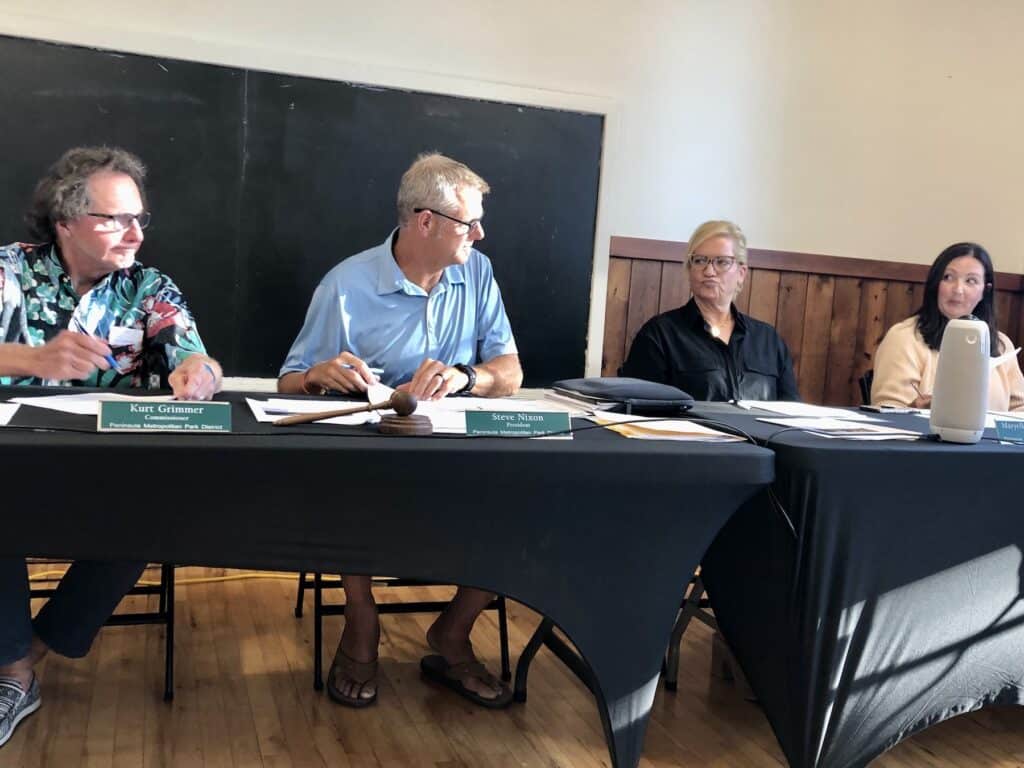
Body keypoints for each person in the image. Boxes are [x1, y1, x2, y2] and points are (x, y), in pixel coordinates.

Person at [279, 152, 521, 709]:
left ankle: (452, 633)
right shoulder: (346, 284)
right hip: (373, 455)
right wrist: (318, 376)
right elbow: (289, 383)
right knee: (354, 490)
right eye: (469, 223)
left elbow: (511, 372)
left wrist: (466, 377)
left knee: (523, 498)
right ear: (425, 221)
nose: (480, 235)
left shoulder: (477, 274)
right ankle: (361, 623)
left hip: (457, 453)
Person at [0, 146, 223, 749]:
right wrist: (31, 358)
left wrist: (199, 373)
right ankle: (13, 672)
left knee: (153, 513)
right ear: (65, 221)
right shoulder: (8, 271)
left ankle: (26, 653)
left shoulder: (148, 286)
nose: (134, 234)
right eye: (114, 219)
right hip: (13, 459)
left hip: (103, 467)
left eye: (139, 219)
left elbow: (196, 353)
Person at [620, 219, 799, 401]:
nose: (709, 271)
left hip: (759, 431)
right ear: (689, 269)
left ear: (741, 273)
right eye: (699, 261)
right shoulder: (660, 335)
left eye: (722, 262)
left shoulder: (768, 341)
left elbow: (791, 413)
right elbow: (638, 412)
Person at [872, 242, 1024, 411]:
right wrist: (916, 408)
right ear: (936, 284)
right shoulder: (904, 337)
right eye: (948, 278)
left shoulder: (1001, 344)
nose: (958, 289)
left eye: (971, 281)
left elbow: (1020, 409)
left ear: (984, 291)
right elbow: (888, 410)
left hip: (990, 438)